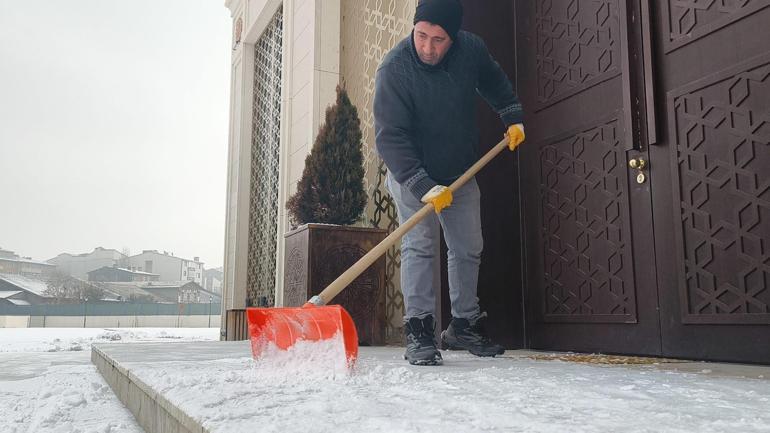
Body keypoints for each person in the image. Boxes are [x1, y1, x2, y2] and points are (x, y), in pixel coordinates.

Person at [373, 0, 525, 366]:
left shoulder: (471, 49)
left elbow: (492, 79)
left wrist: (512, 114)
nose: (427, 47)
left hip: (459, 170)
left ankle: (463, 324)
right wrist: (422, 184)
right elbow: (390, 137)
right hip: (411, 172)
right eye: (421, 35)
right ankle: (420, 329)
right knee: (420, 246)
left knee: (468, 245)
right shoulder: (394, 69)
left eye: (438, 40)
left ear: (453, 38)